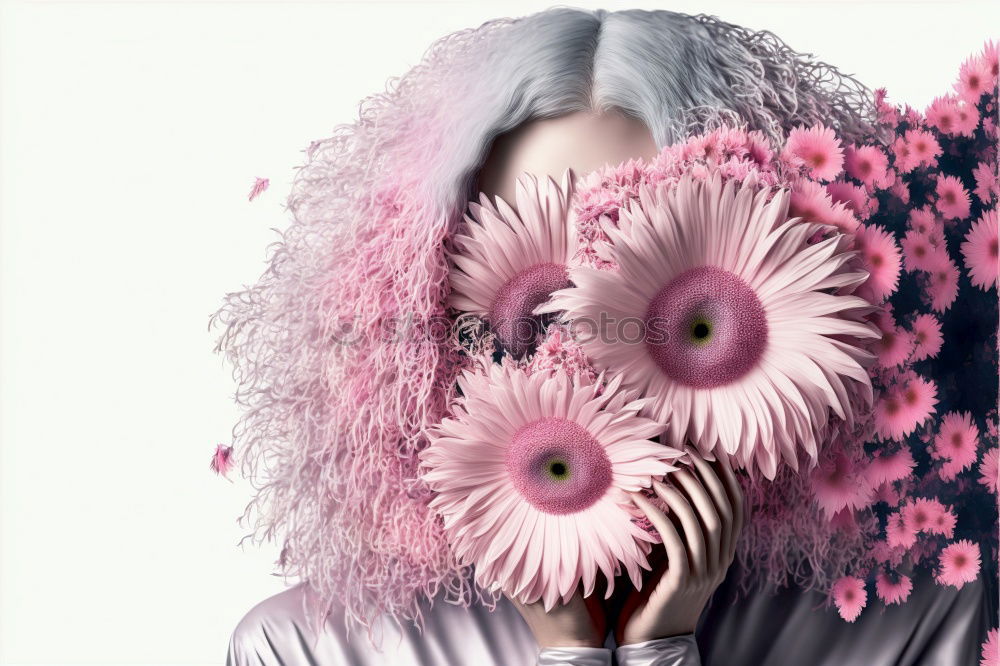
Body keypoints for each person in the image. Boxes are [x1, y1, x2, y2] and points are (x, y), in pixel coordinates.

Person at [219, 8, 993, 665]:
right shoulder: (310, 648)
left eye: (661, 283)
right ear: (418, 306)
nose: (583, 361)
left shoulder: (913, 623)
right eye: (540, 303)